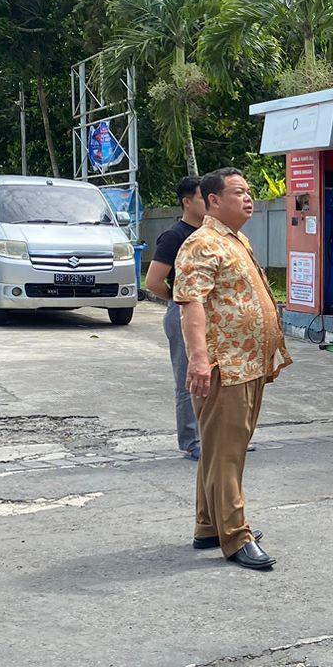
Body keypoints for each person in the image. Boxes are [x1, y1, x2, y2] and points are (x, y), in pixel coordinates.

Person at [174, 168, 291, 572]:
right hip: (225, 365)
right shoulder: (202, 243)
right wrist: (199, 359)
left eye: (248, 191)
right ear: (213, 200)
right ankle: (236, 535)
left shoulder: (235, 239)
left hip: (248, 363)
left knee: (221, 450)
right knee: (227, 454)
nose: (248, 198)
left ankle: (208, 526)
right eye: (238, 192)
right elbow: (190, 304)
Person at [144, 176, 206, 460]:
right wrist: (179, 300)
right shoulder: (174, 236)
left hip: (213, 314)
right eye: (203, 197)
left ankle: (220, 438)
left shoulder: (213, 234)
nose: (209, 202)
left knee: (218, 379)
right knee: (188, 379)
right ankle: (192, 441)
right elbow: (153, 282)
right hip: (183, 313)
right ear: (187, 202)